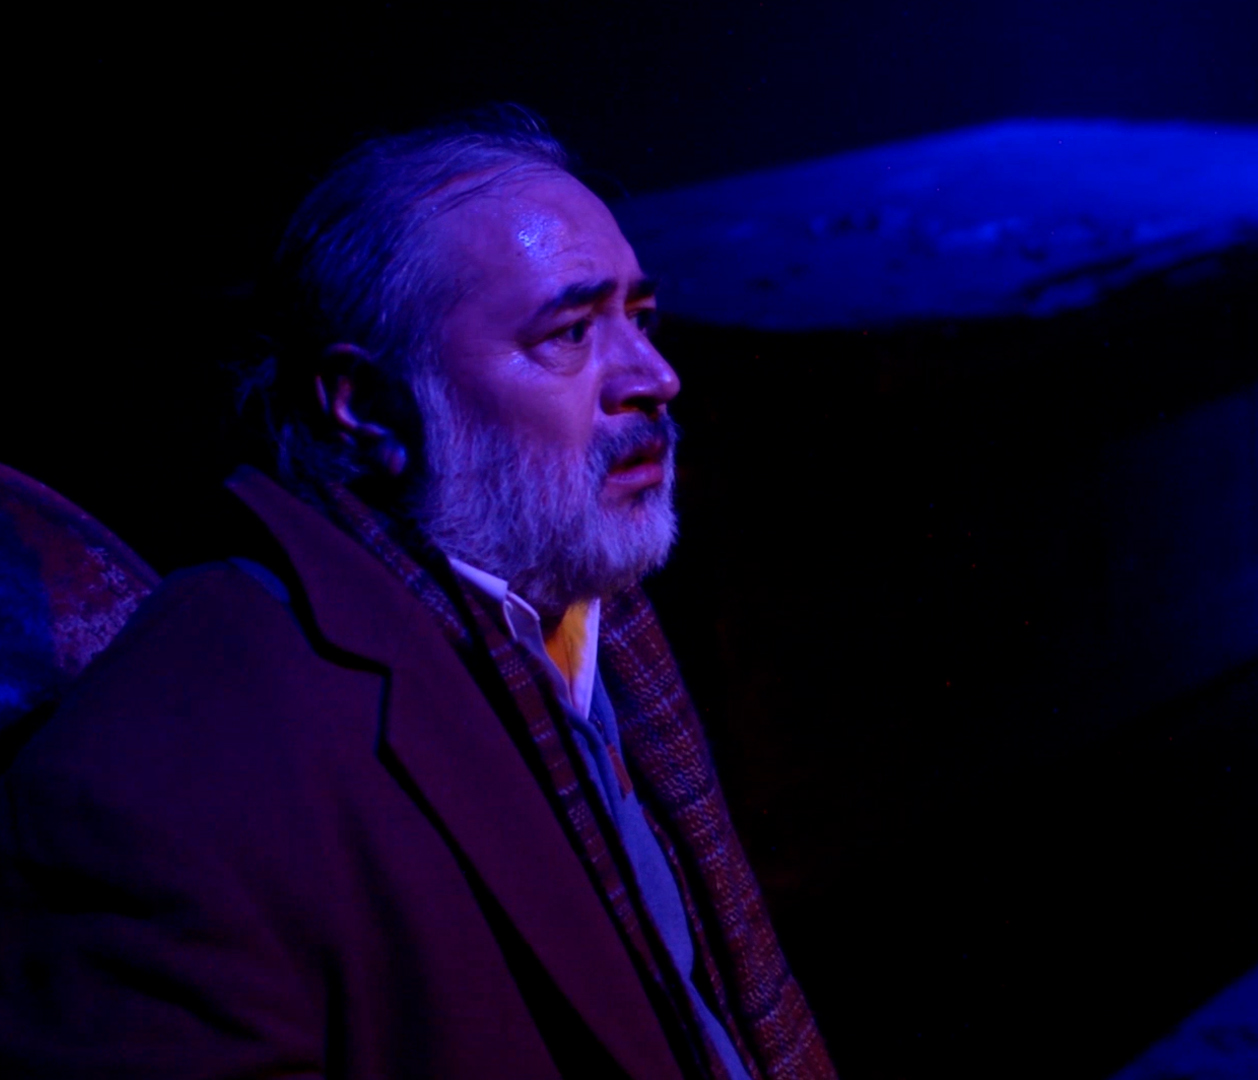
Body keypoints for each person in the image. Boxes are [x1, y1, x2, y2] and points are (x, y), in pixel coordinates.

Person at [0, 107, 834, 1079]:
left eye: (638, 320)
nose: (656, 376)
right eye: (570, 333)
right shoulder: (163, 771)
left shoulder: (577, 607)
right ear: (365, 405)